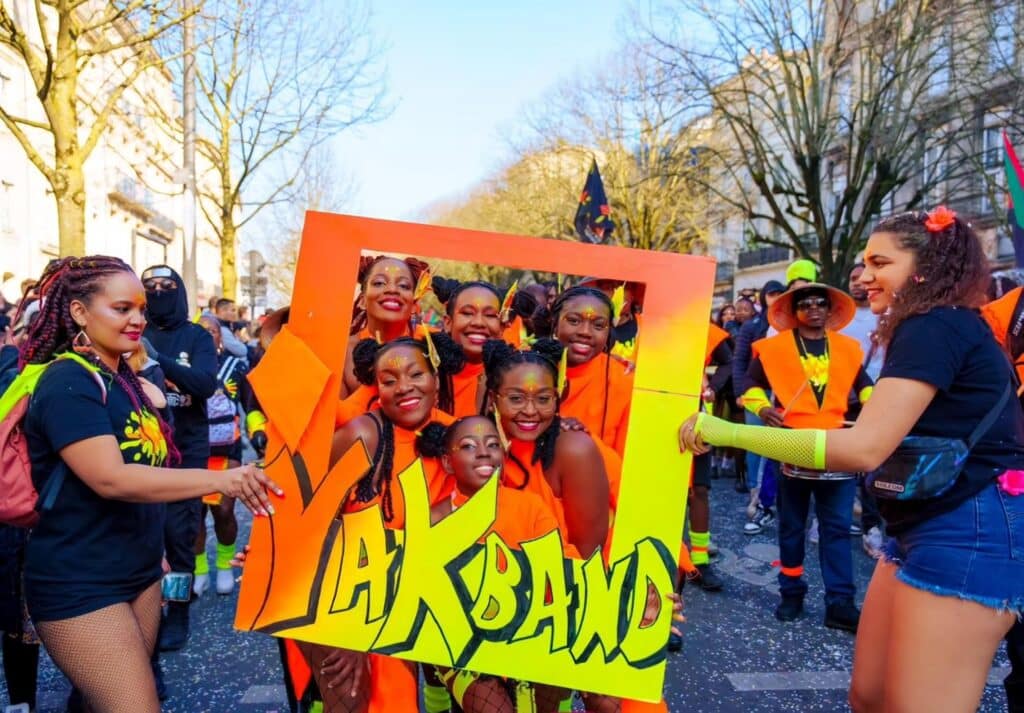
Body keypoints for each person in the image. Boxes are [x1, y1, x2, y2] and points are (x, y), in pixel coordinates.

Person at [681, 207, 1024, 712]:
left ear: (924, 267)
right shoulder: (927, 325)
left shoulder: (935, 326)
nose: (862, 276)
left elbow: (864, 447)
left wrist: (728, 431)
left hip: (970, 529)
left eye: (879, 262)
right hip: (923, 524)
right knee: (870, 695)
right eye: (863, 263)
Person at [19, 256, 279, 713]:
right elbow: (112, 478)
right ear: (79, 312)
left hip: (139, 571)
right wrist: (223, 479)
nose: (139, 318)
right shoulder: (67, 380)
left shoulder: (123, 376)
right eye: (122, 309)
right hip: (81, 579)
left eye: (140, 308)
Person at [139, 264, 219, 652]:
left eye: (167, 286)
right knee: (142, 536)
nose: (158, 292)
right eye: (150, 287)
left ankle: (179, 610)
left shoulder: (197, 336)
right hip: (142, 452)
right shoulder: (134, 332)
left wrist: (158, 362)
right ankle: (145, 608)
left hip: (186, 452)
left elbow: (204, 383)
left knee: (179, 538)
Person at [193, 315, 250, 597]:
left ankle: (225, 565)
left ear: (221, 336)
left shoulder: (235, 365)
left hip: (227, 450)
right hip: (192, 450)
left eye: (213, 330)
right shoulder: (183, 365)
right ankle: (199, 569)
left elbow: (251, 401)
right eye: (202, 330)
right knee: (194, 514)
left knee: (224, 510)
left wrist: (260, 429)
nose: (208, 334)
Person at [732, 279, 785, 531]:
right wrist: (740, 392)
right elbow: (739, 361)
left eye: (779, 294)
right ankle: (755, 490)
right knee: (755, 443)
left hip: (783, 393)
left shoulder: (789, 324)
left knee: (777, 447)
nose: (775, 298)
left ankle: (773, 497)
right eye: (771, 293)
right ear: (763, 297)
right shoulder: (752, 326)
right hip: (757, 391)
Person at [843, 262, 885, 558]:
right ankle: (831, 518)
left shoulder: (888, 316)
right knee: (842, 462)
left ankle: (872, 527)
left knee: (873, 466)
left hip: (881, 397)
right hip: (844, 400)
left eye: (862, 277)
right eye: (853, 278)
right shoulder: (839, 319)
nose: (858, 283)